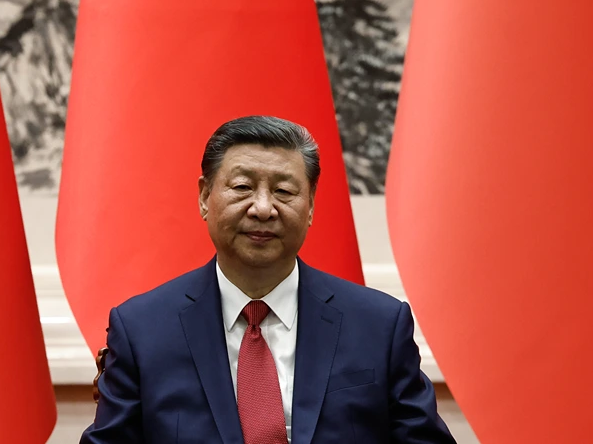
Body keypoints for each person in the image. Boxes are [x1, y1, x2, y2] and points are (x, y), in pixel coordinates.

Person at [81, 115, 456, 443]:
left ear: (310, 206)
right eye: (242, 187)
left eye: (284, 191)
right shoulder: (142, 330)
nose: (263, 208)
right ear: (204, 196)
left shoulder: (379, 325)